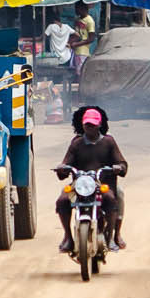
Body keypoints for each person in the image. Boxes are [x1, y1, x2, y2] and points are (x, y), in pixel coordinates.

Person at [54, 105, 127, 253]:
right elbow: (66, 164)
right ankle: (68, 237)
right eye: (87, 124)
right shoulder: (76, 143)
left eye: (93, 125)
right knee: (62, 200)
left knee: (112, 198)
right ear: (83, 125)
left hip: (102, 184)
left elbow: (123, 164)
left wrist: (119, 167)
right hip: (80, 184)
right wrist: (62, 168)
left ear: (99, 125)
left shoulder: (108, 142)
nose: (89, 127)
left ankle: (113, 236)